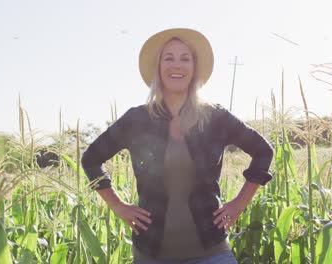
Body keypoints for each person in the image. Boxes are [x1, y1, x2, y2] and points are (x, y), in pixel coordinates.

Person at [81, 28, 274, 264]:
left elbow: (263, 151)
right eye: (168, 58)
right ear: (158, 68)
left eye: (185, 58)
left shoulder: (215, 117)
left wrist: (239, 203)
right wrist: (118, 205)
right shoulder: (136, 120)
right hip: (151, 254)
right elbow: (91, 158)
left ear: (194, 69)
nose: (177, 65)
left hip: (212, 252)